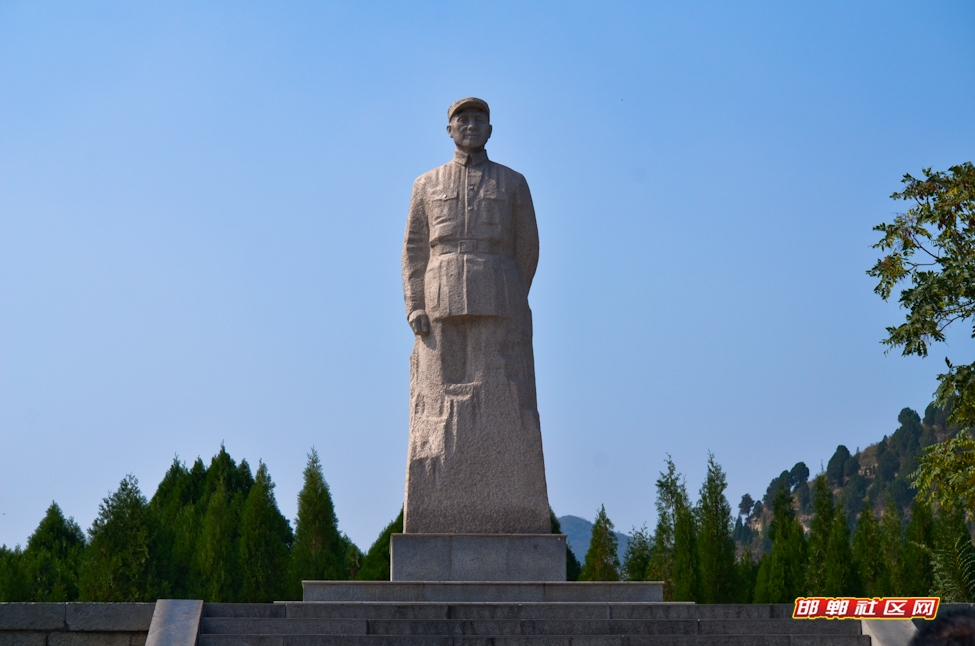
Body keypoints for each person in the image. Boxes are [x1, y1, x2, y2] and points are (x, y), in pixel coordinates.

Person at [401, 97, 550, 534]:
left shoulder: (513, 183)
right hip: (440, 300)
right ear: (449, 129)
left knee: (499, 396)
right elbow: (413, 249)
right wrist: (415, 304)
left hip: (498, 297)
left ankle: (503, 485)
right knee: (439, 404)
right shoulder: (426, 184)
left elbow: (528, 245)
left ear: (490, 128)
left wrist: (510, 291)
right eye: (461, 119)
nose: (470, 125)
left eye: (478, 119)